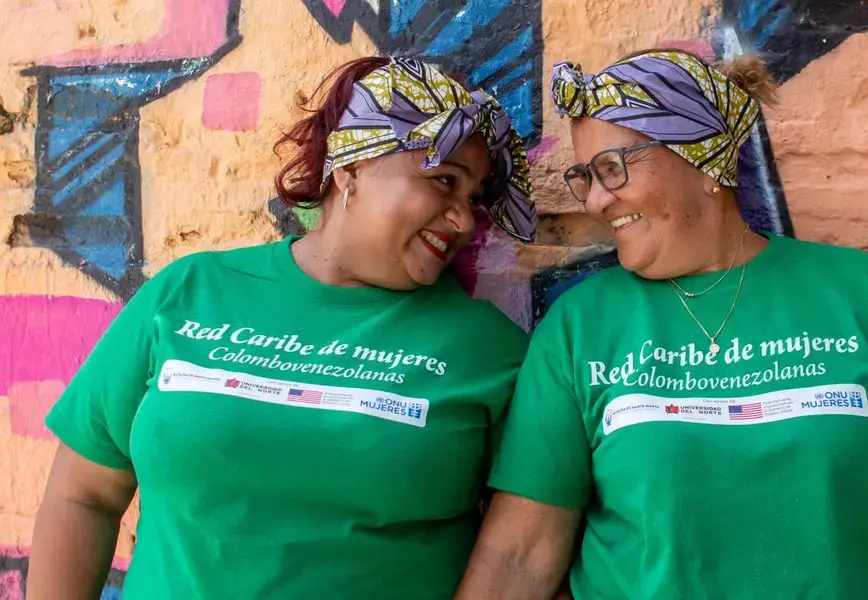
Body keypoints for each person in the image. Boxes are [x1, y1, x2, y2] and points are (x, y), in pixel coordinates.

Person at [456, 49, 868, 599]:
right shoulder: (580, 324)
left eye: (612, 169)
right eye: (584, 177)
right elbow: (519, 557)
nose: (595, 201)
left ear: (704, 159)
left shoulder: (858, 291)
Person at [27, 56, 537, 599]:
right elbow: (83, 495)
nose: (463, 219)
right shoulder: (189, 292)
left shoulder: (492, 351)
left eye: (473, 199)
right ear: (352, 166)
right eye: (443, 182)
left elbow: (526, 553)